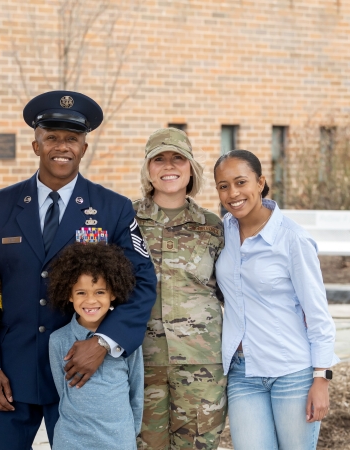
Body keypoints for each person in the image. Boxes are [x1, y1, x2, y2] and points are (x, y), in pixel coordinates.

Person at [0, 90, 157, 449]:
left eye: (72, 139)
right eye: (51, 137)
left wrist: (103, 342)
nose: (61, 146)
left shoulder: (112, 208)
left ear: (84, 147)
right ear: (36, 144)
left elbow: (143, 285)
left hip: (82, 372)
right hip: (10, 374)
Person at [213, 150, 339, 450]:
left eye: (241, 182)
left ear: (261, 182)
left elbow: (318, 313)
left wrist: (322, 379)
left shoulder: (292, 239)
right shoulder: (222, 232)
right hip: (243, 373)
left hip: (291, 373)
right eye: (223, 186)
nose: (233, 193)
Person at [133, 128, 228, 449]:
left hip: (202, 361)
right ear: (148, 168)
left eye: (178, 158)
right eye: (159, 159)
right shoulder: (126, 219)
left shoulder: (212, 225)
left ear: (191, 168)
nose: (168, 166)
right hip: (142, 359)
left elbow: (232, 289)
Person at [47, 243, 144, 450]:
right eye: (81, 293)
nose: (90, 300)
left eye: (100, 292)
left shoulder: (125, 339)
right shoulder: (58, 340)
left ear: (113, 294)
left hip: (118, 440)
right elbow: (62, 392)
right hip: (71, 440)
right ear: (70, 295)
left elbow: (136, 391)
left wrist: (130, 433)